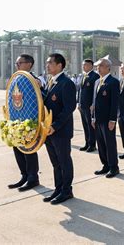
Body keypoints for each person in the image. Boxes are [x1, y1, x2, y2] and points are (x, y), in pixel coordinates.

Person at [42, 53, 77, 204]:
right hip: (48, 130)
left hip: (60, 131)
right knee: (55, 162)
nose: (47, 65)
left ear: (59, 65)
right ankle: (58, 188)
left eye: (50, 63)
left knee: (64, 161)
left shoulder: (66, 83)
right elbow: (47, 102)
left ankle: (67, 190)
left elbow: (69, 108)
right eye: (47, 63)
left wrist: (55, 126)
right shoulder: (51, 81)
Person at [7, 54, 40, 192]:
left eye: (20, 63)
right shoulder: (15, 79)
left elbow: (40, 98)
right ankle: (24, 175)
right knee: (18, 148)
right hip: (16, 120)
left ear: (29, 64)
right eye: (16, 63)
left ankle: (33, 178)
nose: (17, 65)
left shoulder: (35, 80)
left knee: (28, 149)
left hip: (29, 122)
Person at [92, 59, 120, 178]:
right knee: (101, 143)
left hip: (108, 119)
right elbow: (94, 101)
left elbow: (115, 103)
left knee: (109, 144)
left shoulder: (113, 82)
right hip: (97, 119)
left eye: (101, 66)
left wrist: (112, 120)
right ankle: (105, 165)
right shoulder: (97, 81)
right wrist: (93, 117)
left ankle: (114, 167)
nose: (98, 68)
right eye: (97, 66)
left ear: (108, 67)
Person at [77, 59, 100, 152]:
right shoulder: (82, 76)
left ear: (91, 66)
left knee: (91, 126)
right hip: (82, 105)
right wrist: (78, 102)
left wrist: (93, 104)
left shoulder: (95, 76)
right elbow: (80, 90)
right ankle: (87, 143)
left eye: (85, 65)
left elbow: (96, 92)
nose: (83, 66)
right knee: (85, 125)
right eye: (83, 65)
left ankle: (92, 144)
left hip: (90, 106)